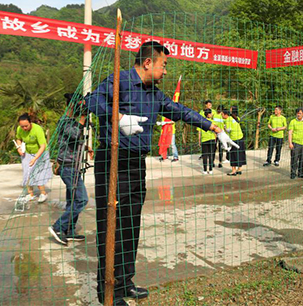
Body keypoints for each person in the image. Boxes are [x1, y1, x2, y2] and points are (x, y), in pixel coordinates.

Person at [86, 41, 237, 305]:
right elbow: (91, 101)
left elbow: (180, 111)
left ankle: (125, 281)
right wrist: (117, 118)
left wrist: (213, 128)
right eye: (163, 65)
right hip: (112, 162)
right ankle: (108, 291)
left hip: (137, 164)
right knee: (110, 226)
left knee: (131, 226)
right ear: (148, 63)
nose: (165, 71)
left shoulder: (153, 94)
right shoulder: (119, 81)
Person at [49, 93, 91, 246]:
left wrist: (86, 147)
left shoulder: (71, 121)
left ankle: (69, 230)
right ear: (72, 105)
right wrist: (82, 118)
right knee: (82, 199)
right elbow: (73, 134)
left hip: (73, 167)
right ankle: (58, 227)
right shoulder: (64, 122)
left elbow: (72, 142)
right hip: (68, 168)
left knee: (72, 200)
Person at [15, 114, 53, 203]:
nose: (24, 128)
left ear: (30, 122)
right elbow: (18, 139)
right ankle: (30, 194)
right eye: (22, 126)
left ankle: (43, 193)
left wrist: (35, 159)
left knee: (38, 174)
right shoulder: (19, 129)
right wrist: (19, 148)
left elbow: (43, 146)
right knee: (27, 173)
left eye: (26, 126)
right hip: (28, 152)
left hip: (40, 153)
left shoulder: (37, 129)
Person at [288, 108, 303, 180]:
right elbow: (290, 133)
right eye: (297, 113)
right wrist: (290, 143)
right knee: (294, 159)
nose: (298, 114)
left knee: (302, 160)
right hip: (295, 143)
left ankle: (301, 173)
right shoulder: (293, 121)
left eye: (300, 113)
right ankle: (293, 173)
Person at [225, 106, 246, 176]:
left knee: (233, 154)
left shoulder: (229, 119)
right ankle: (239, 169)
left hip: (233, 139)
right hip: (240, 137)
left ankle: (233, 170)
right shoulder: (237, 118)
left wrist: (225, 127)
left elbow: (228, 130)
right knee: (240, 153)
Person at [198, 109, 216, 175]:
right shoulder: (213, 122)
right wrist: (215, 139)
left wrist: (199, 140)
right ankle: (210, 170)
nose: (211, 114)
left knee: (205, 155)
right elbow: (215, 131)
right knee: (211, 155)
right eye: (211, 113)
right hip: (211, 139)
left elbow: (199, 132)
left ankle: (205, 170)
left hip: (204, 139)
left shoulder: (201, 122)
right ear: (208, 114)